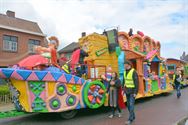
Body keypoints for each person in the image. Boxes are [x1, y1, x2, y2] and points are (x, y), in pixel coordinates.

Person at [123, 60, 139, 125]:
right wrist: (123, 89)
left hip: (132, 91)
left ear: (128, 64)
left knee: (131, 105)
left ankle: (130, 119)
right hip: (127, 91)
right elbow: (124, 81)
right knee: (128, 105)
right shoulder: (124, 72)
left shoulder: (133, 71)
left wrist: (135, 92)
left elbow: (136, 83)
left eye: (125, 64)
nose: (124, 65)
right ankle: (133, 116)